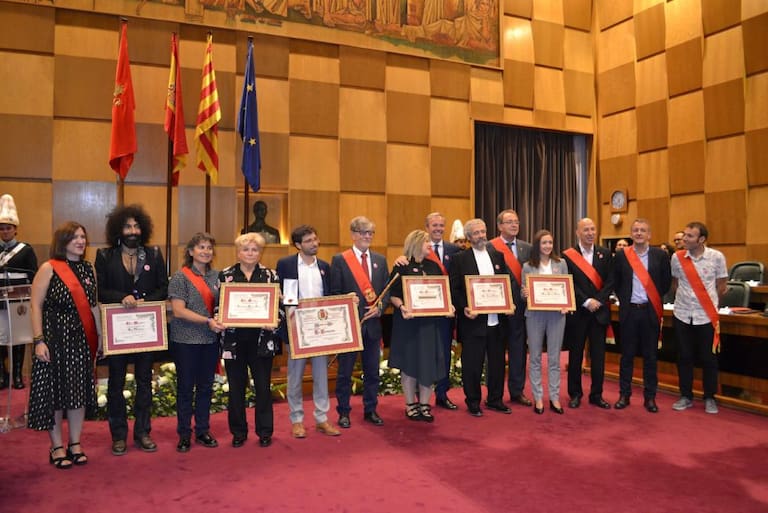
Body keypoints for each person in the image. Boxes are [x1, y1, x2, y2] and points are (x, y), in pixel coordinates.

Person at [95, 204, 168, 456]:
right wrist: (121, 297)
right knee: (116, 382)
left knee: (144, 381)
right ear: (119, 229)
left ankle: (143, 432)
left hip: (146, 329)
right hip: (119, 330)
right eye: (127, 226)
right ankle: (118, 436)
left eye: (136, 226)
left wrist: (146, 300)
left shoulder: (154, 254)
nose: (133, 231)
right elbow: (100, 290)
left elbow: (163, 288)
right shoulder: (105, 256)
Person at [28, 221, 99, 469]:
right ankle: (57, 446)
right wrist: (38, 340)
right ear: (63, 241)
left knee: (78, 393)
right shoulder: (49, 268)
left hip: (81, 340)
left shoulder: (89, 269)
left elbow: (93, 306)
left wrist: (100, 337)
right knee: (56, 395)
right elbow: (35, 305)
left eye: (83, 237)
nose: (80, 241)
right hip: (54, 340)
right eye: (74, 237)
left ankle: (75, 443)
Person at [220, 232, 284, 447]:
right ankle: (238, 432)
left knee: (263, 388)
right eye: (246, 249)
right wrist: (220, 318)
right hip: (233, 341)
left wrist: (275, 320)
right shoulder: (225, 275)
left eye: (254, 249)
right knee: (236, 389)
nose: (250, 253)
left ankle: (265, 431)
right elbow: (219, 306)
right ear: (238, 252)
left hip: (262, 340)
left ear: (260, 252)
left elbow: (279, 307)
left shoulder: (271, 276)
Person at [276, 225, 340, 438]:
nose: (314, 243)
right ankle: (297, 420)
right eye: (309, 241)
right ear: (298, 245)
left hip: (320, 330)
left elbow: (330, 296)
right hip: (295, 329)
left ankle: (322, 418)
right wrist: (281, 299)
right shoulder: (285, 264)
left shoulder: (324, 267)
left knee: (321, 375)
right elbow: (281, 293)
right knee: (295, 377)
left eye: (315, 239)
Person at [330, 216, 390, 428]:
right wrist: (346, 299)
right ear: (353, 235)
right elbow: (334, 293)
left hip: (373, 326)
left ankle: (370, 409)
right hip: (349, 327)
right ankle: (343, 412)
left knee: (372, 372)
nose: (368, 236)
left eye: (371, 233)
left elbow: (386, 291)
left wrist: (379, 308)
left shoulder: (380, 260)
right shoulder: (340, 260)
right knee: (345, 373)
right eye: (364, 232)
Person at [388, 229, 454, 422]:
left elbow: (442, 292)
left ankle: (425, 404)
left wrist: (448, 306)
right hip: (408, 324)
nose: (430, 245)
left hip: (429, 324)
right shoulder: (402, 266)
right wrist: (402, 307)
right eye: (426, 242)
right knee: (409, 364)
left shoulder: (433, 266)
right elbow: (393, 294)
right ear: (416, 243)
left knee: (428, 363)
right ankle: (410, 404)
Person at [168, 232, 225, 452]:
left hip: (210, 340)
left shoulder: (218, 276)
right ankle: (184, 434)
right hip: (185, 340)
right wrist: (208, 321)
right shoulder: (180, 277)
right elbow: (178, 311)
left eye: (209, 248)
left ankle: (202, 430)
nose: (206, 251)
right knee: (185, 388)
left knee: (205, 387)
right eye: (201, 247)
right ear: (191, 251)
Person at [449, 218, 510, 416]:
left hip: (496, 321)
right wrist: (464, 307)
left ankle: (495, 399)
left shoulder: (498, 256)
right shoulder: (460, 259)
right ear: (468, 237)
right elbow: (454, 289)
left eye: (483, 231)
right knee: (472, 365)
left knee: (497, 364)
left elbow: (505, 284)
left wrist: (509, 303)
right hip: (473, 322)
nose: (481, 236)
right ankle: (473, 401)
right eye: (476, 233)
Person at [612, 219, 671, 413]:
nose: (639, 233)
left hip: (650, 312)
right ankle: (624, 395)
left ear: (649, 235)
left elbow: (665, 283)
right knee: (627, 356)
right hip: (629, 312)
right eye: (635, 230)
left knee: (650, 357)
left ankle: (650, 397)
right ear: (631, 234)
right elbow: (616, 281)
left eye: (643, 230)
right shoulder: (622, 255)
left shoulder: (660, 255)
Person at [669, 222, 727, 414]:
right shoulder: (677, 258)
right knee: (684, 357)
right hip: (682, 314)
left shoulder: (717, 257)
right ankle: (685, 395)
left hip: (706, 316)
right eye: (684, 235)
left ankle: (710, 397)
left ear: (701, 239)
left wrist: (711, 304)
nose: (684, 239)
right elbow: (675, 284)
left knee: (709, 358)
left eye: (690, 236)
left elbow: (721, 285)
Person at [562, 218, 613, 409]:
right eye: (586, 230)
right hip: (579, 312)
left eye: (592, 229)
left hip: (599, 312)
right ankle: (575, 394)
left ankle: (596, 394)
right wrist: (586, 301)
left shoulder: (605, 253)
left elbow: (610, 281)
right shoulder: (568, 256)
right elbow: (569, 282)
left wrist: (598, 300)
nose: (590, 233)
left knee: (598, 356)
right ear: (577, 232)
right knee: (575, 355)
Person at [521, 230, 569, 415]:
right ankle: (538, 397)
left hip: (557, 316)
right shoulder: (528, 266)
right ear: (537, 245)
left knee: (555, 358)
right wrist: (524, 293)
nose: (548, 246)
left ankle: (554, 397)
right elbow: (523, 293)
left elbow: (566, 288)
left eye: (550, 242)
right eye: (544, 243)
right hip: (535, 315)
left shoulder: (561, 263)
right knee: (534, 357)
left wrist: (566, 304)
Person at [488, 209, 533, 407]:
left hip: (520, 309)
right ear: (500, 226)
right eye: (509, 222)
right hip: (497, 308)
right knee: (495, 353)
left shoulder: (527, 248)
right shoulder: (489, 247)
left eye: (516, 222)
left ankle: (517, 391)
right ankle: (494, 394)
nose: (514, 225)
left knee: (518, 351)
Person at [422, 213, 461, 410]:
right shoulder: (420, 249)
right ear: (427, 227)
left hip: (447, 313)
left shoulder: (454, 250)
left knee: (445, 353)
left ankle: (442, 394)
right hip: (425, 312)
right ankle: (422, 397)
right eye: (434, 225)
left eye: (441, 225)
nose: (438, 228)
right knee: (425, 354)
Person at [0, 194, 38, 390]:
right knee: (0, 339)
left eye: (8, 228)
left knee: (18, 339)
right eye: (1, 228)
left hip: (18, 302)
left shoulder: (26, 250)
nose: (5, 231)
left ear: (15, 229)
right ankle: (2, 374)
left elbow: (33, 276)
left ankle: (16, 375)